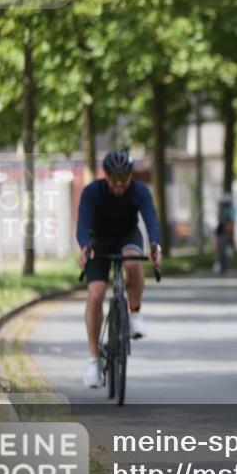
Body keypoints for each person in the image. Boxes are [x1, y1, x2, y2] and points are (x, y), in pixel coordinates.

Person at [77, 150, 163, 388]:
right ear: (106, 176)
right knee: (95, 295)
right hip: (99, 241)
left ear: (129, 177)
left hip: (127, 236)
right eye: (113, 179)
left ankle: (134, 313)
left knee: (133, 262)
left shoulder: (139, 191)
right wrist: (84, 247)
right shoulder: (93, 192)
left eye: (123, 179)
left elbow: (151, 220)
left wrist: (155, 245)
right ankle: (94, 361)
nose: (118, 185)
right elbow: (83, 224)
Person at [212, 192, 236, 273]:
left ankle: (223, 265)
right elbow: (219, 219)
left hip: (226, 232)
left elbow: (231, 224)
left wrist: (230, 235)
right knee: (219, 249)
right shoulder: (222, 210)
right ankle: (219, 264)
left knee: (224, 250)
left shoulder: (231, 211)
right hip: (220, 231)